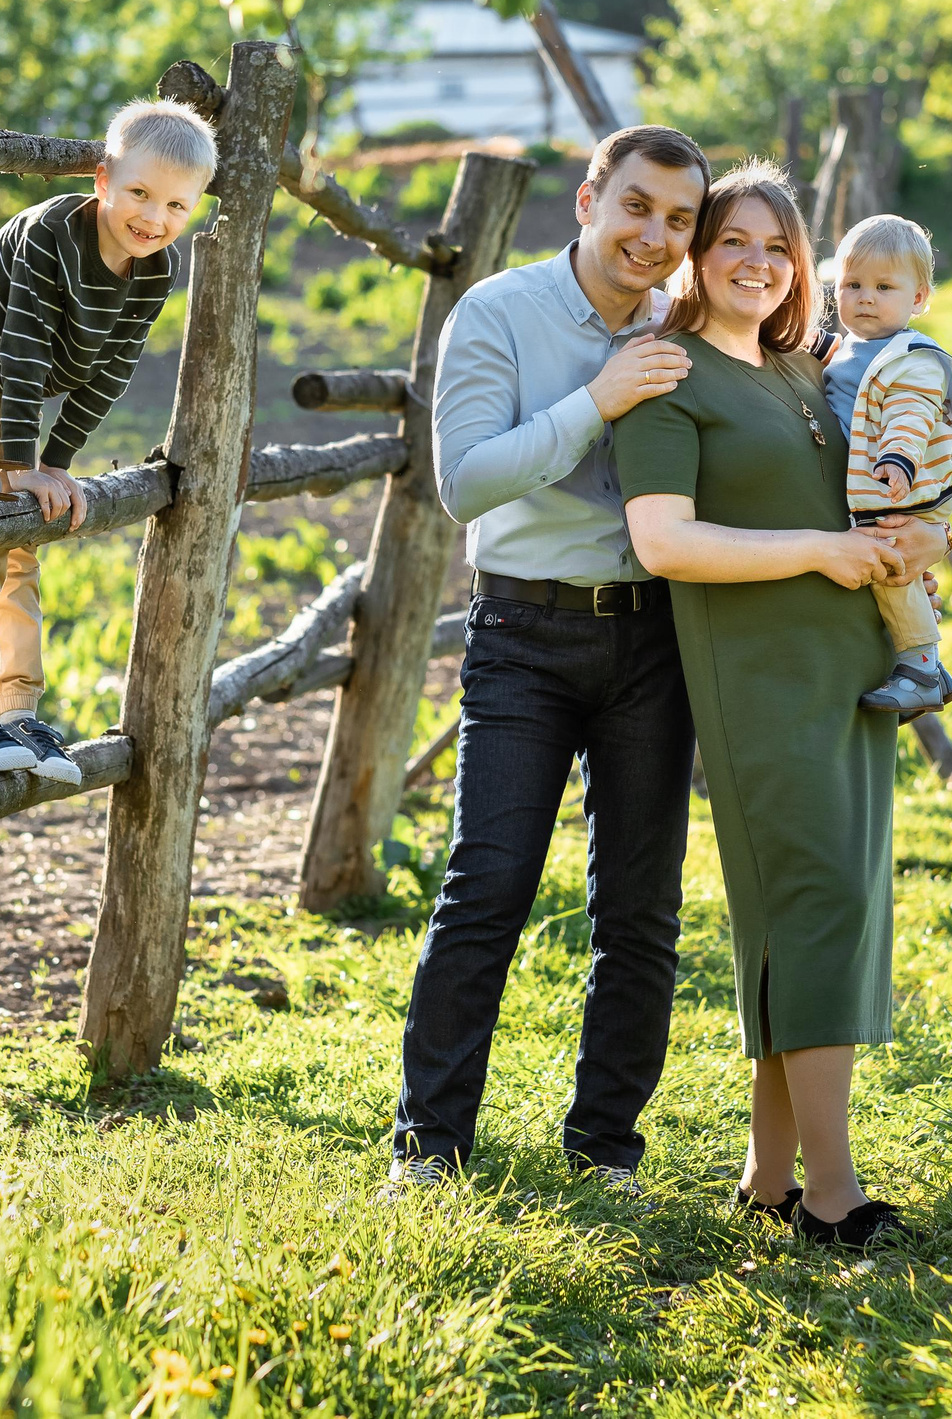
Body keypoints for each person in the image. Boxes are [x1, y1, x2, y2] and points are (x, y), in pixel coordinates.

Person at [613, 161, 945, 1247]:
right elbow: (664, 543)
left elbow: (883, 493)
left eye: (778, 248)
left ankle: (768, 1178)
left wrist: (920, 540)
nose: (757, 264)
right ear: (698, 258)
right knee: (814, 909)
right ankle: (834, 1195)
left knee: (808, 912)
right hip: (759, 682)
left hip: (846, 675)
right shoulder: (668, 378)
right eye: (732, 244)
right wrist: (820, 549)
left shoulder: (809, 372)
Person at [380, 124, 710, 1196]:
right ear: (588, 199)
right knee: (488, 885)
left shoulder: (690, 328)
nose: (653, 237)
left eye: (677, 220)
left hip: (657, 639)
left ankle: (606, 1147)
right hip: (523, 635)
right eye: (636, 207)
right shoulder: (501, 312)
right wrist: (597, 400)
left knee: (640, 908)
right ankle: (428, 1148)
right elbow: (465, 482)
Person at [0, 99, 217, 781]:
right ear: (103, 180)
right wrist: (17, 469)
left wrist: (54, 465)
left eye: (177, 207)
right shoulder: (50, 235)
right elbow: (24, 351)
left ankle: (16, 713)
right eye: (139, 193)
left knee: (24, 539)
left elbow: (110, 373)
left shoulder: (156, 271)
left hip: (10, 391)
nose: (154, 218)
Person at [815, 214, 952, 716]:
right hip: (890, 484)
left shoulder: (911, 359)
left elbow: (910, 416)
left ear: (918, 299)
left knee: (891, 569)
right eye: (851, 285)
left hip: (904, 484)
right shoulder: (852, 347)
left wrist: (898, 459)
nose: (865, 297)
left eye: (882, 286)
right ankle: (931, 668)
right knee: (897, 569)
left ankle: (919, 667)